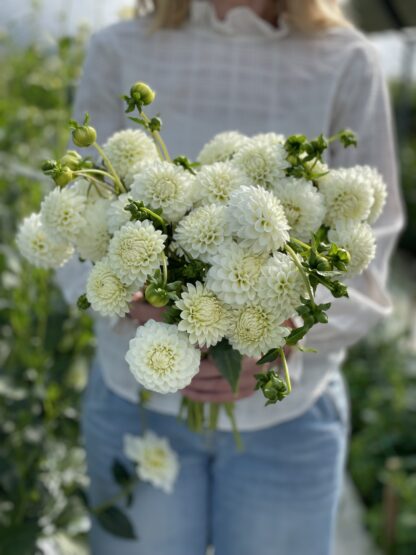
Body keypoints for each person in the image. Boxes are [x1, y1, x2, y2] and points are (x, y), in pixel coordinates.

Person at [56, 1, 404, 553]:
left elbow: (372, 243)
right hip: (137, 400)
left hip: (288, 415)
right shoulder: (119, 49)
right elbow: (73, 217)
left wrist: (281, 337)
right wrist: (130, 301)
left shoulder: (346, 59)